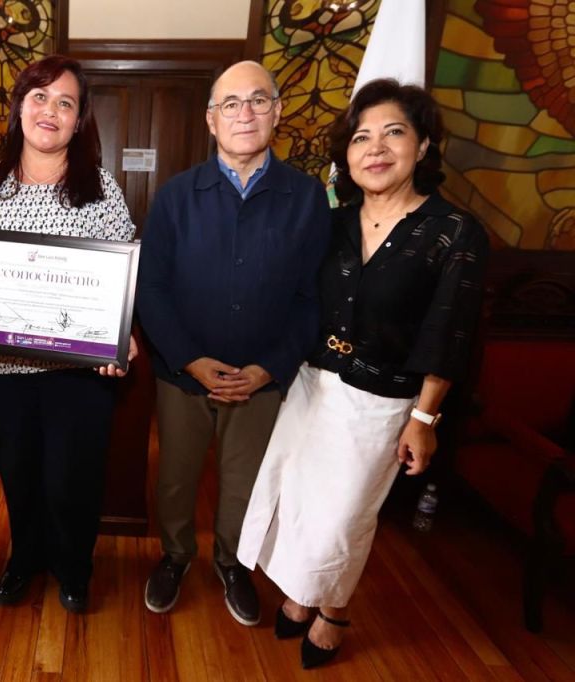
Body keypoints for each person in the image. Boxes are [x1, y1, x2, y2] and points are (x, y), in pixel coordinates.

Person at [236, 78, 489, 669]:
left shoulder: (454, 232)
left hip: (383, 402)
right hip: (311, 386)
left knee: (346, 519)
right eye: (361, 137)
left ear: (423, 146)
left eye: (393, 133)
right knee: (297, 502)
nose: (375, 148)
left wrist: (424, 417)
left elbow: (448, 332)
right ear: (346, 154)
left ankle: (336, 611)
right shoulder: (335, 221)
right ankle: (301, 596)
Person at [0, 55, 136, 614]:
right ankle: (24, 558)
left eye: (65, 102)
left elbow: (121, 277)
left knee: (72, 481)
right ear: (20, 107)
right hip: (2, 373)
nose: (51, 110)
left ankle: (74, 568)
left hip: (78, 374)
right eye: (40, 97)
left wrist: (121, 339)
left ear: (79, 121)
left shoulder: (100, 188)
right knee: (19, 477)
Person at [136, 61, 331, 626]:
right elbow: (153, 288)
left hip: (261, 379)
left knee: (245, 481)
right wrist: (190, 360)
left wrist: (268, 368)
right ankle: (175, 556)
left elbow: (311, 299)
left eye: (257, 100)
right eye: (231, 104)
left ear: (277, 110)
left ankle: (232, 562)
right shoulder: (175, 196)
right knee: (175, 476)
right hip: (183, 374)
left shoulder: (305, 197)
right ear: (210, 120)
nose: (245, 113)